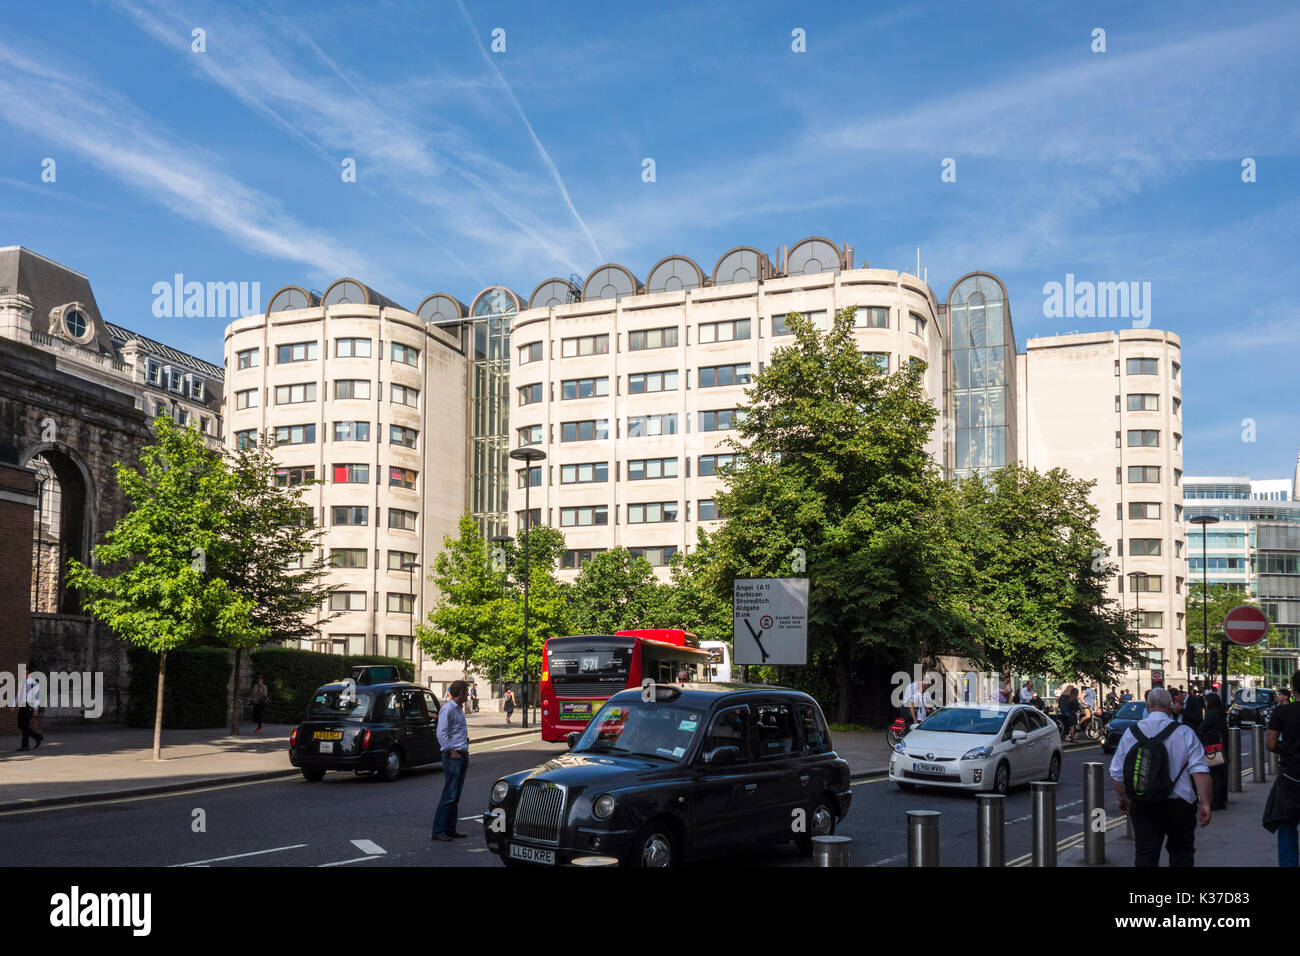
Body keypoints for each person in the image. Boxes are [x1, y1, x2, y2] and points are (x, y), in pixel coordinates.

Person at [1109, 688, 1212, 867]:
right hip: (1180, 805)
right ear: (1170, 706)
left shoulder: (1131, 733)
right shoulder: (1185, 732)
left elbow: (1116, 772)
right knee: (1182, 854)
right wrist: (1205, 803)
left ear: (1147, 706)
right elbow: (1200, 772)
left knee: (1145, 855)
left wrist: (1122, 798)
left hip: (1143, 804)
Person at [1264, 671, 1300, 867]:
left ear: (1293, 689)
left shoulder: (1282, 712)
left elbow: (1270, 744)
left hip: (1291, 775)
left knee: (1286, 826)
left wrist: (1284, 750)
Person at [432, 680, 471, 841]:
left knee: (455, 795)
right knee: (449, 794)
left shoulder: (459, 709)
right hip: (453, 756)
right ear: (461, 693)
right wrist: (453, 751)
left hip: (462, 755)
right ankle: (439, 831)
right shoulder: (448, 709)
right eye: (466, 692)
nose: (468, 694)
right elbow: (441, 733)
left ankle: (450, 828)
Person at [1198, 692, 1229, 811]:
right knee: (1219, 775)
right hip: (1219, 744)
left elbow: (1202, 727)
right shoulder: (1221, 713)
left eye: (1206, 700)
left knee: (1214, 776)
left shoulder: (1211, 714)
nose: (1204, 702)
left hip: (1211, 745)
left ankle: (1215, 803)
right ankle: (1221, 802)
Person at [16, 670, 44, 751]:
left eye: (26, 673)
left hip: (30, 706)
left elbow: (36, 697)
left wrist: (35, 709)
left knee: (24, 726)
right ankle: (38, 737)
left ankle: (25, 746)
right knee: (20, 725)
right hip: (23, 706)